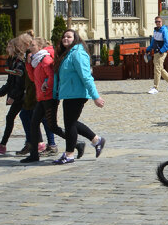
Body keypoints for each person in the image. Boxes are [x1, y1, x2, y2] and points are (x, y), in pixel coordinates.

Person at [19, 38, 83, 164]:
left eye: (32, 45)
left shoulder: (46, 59)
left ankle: (77, 144)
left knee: (52, 126)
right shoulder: (37, 60)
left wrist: (46, 86)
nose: (30, 47)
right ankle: (34, 155)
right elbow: (33, 78)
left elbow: (53, 77)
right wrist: (28, 64)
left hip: (49, 98)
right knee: (34, 123)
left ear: (40, 47)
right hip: (42, 98)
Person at [51, 29, 106, 165]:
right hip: (69, 93)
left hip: (77, 94)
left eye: (69, 37)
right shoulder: (67, 54)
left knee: (70, 124)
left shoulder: (77, 54)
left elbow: (86, 77)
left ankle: (69, 154)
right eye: (64, 36)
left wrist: (96, 97)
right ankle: (96, 140)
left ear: (75, 39)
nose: (65, 39)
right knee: (72, 123)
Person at [0, 36, 28, 154]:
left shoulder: (19, 62)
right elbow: (10, 81)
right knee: (25, 118)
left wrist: (13, 96)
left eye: (9, 46)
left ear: (15, 48)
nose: (7, 49)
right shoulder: (12, 61)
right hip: (18, 95)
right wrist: (0, 93)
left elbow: (19, 83)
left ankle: (37, 143)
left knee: (27, 118)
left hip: (22, 96)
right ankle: (4, 144)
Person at [146, 15, 168, 94]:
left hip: (161, 53)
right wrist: (148, 49)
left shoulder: (164, 31)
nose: (157, 23)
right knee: (160, 69)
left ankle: (155, 87)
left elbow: (167, 42)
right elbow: (153, 42)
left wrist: (161, 51)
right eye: (156, 21)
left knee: (157, 69)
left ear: (161, 22)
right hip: (156, 52)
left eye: (159, 21)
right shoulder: (156, 31)